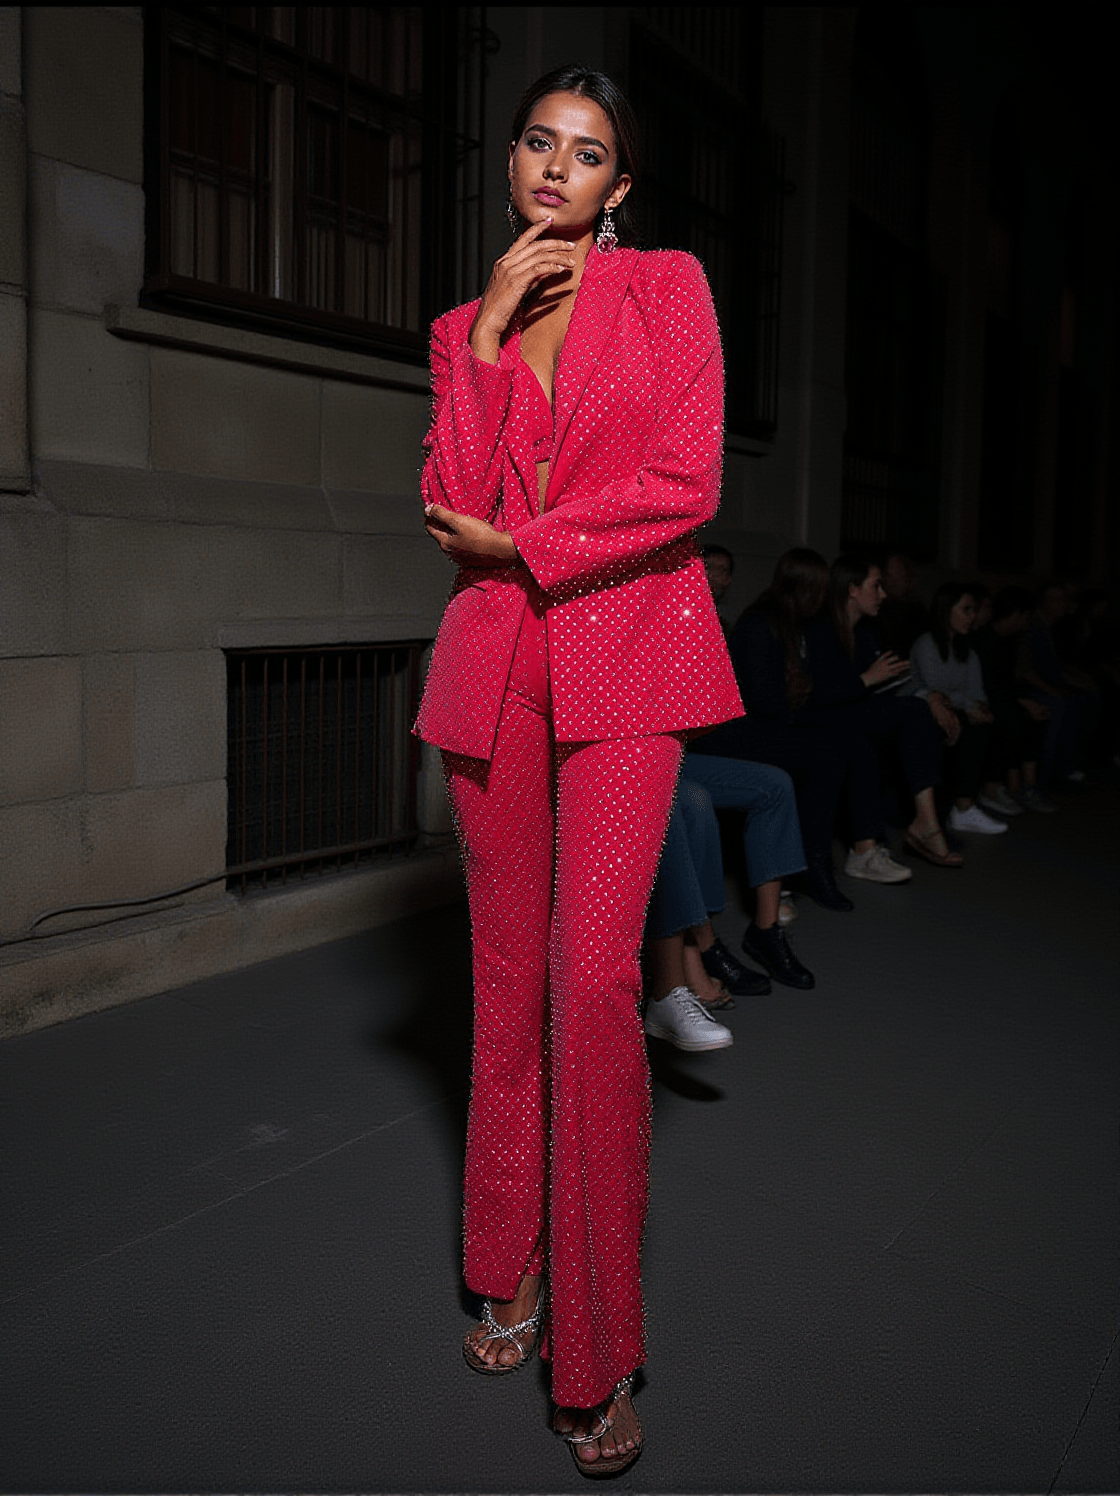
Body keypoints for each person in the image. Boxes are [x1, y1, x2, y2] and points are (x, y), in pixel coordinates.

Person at [415, 66, 742, 1477]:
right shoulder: (455, 328)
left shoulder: (668, 289)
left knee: (593, 981)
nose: (558, 167)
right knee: (503, 982)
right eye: (539, 142)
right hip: (497, 668)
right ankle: (506, 1259)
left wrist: (532, 546)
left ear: (620, 187)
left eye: (589, 152)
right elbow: (451, 504)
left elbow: (685, 483)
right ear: (511, 166)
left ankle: (597, 1348)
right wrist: (488, 332)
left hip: (628, 661)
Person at [689, 548, 865, 911]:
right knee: (822, 754)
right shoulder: (760, 622)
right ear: (805, 587)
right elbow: (760, 699)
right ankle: (809, 867)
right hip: (733, 732)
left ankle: (819, 862)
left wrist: (805, 696)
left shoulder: (799, 624)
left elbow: (799, 693)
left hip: (762, 723)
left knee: (843, 740)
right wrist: (800, 695)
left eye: (726, 570)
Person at [803, 554, 960, 872]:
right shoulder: (819, 629)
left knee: (917, 709)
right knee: (893, 725)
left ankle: (926, 822)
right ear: (852, 589)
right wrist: (866, 679)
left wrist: (928, 695)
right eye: (876, 586)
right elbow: (814, 697)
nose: (883, 594)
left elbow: (892, 678)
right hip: (817, 717)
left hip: (851, 711)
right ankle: (923, 828)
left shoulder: (865, 632)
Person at [901, 584, 1007, 834]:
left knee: (983, 723)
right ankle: (951, 809)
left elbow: (977, 692)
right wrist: (969, 706)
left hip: (955, 710)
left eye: (974, 610)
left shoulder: (967, 652)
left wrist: (979, 708)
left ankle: (964, 807)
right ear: (946, 610)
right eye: (966, 610)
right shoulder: (926, 644)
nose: (972, 617)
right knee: (959, 722)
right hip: (923, 710)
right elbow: (936, 691)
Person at [970, 585, 1055, 815]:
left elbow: (1006, 682)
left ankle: (1027, 785)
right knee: (1010, 716)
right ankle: (993, 786)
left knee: (1033, 713)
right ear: (1017, 614)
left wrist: (1025, 700)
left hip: (1000, 696)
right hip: (984, 698)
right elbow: (988, 685)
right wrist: (1021, 702)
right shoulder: (983, 639)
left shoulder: (1009, 640)